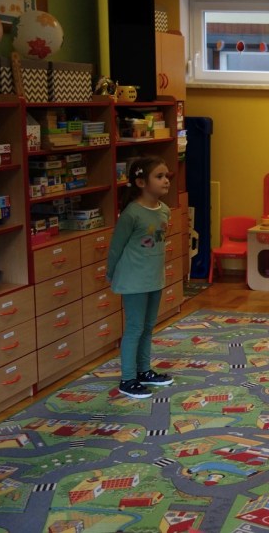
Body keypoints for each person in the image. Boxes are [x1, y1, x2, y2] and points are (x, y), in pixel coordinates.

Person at [107, 155, 174, 399]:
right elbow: (116, 247)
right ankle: (127, 379)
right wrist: (111, 273)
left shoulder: (164, 210)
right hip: (133, 280)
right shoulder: (131, 214)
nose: (166, 180)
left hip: (153, 278)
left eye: (167, 176)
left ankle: (144, 371)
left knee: (147, 326)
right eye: (159, 176)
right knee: (135, 328)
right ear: (141, 182)